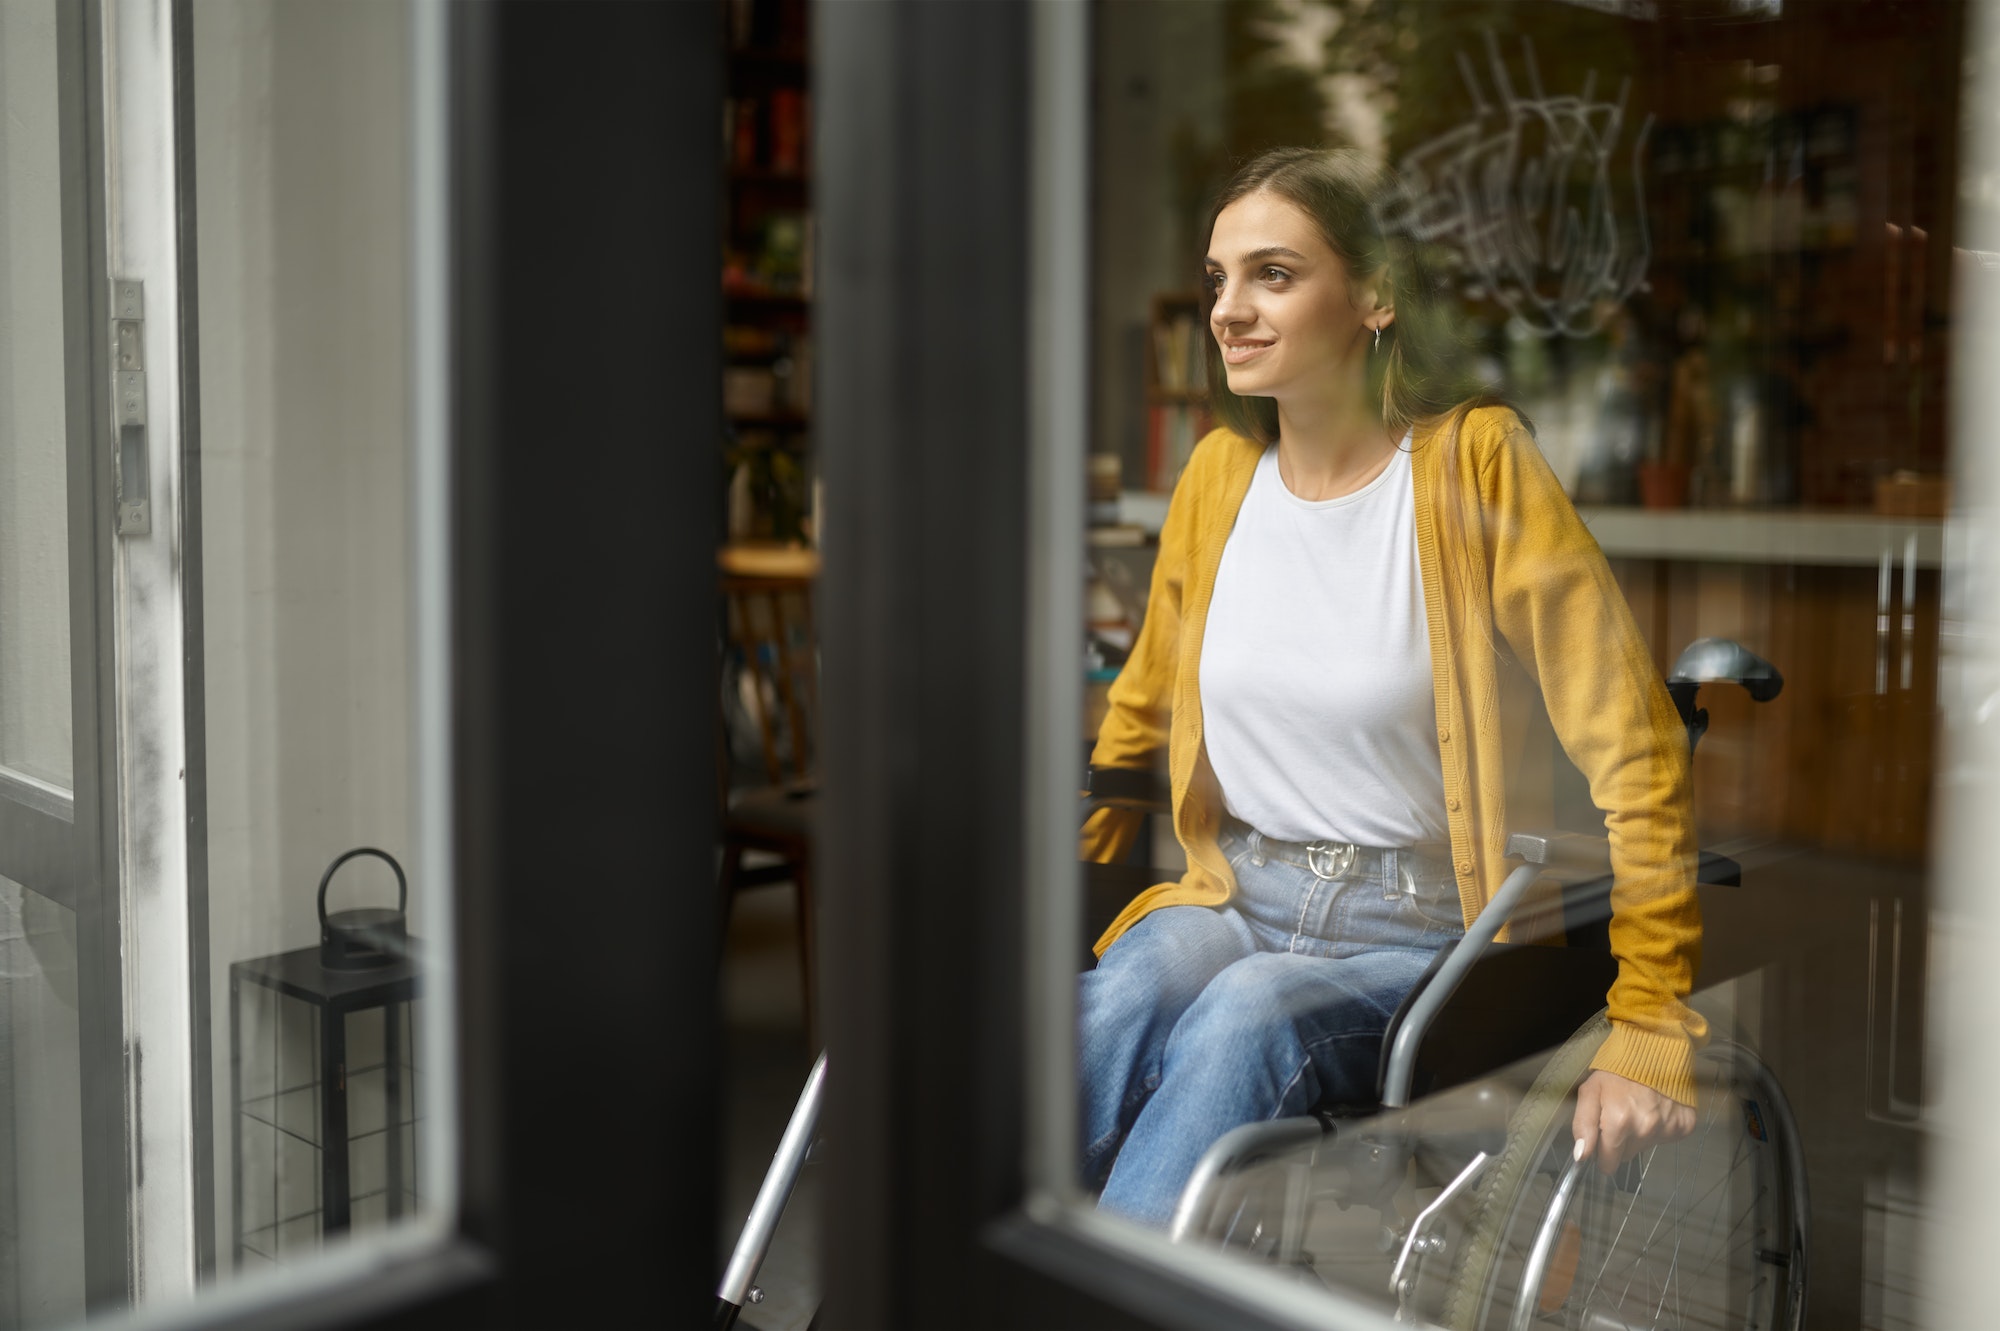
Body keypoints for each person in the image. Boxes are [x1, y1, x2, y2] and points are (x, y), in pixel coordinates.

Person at [1078, 147, 1702, 1228]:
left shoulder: (1473, 465)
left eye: (1271, 273)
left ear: (1372, 295)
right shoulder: (1216, 477)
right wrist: (1077, 881)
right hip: (1236, 891)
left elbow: (1632, 744)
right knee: (1124, 986)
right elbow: (1144, 703)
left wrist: (1649, 1013)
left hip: (1422, 929)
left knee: (1244, 1012)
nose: (1228, 309)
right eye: (1218, 277)